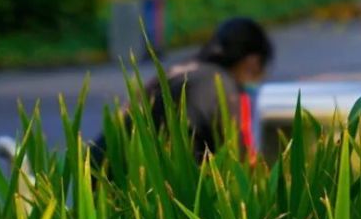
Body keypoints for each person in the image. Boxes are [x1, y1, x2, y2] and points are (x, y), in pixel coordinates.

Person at [90, 17, 274, 164]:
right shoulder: (223, 86)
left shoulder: (182, 70)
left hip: (104, 171)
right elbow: (237, 157)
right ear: (253, 61)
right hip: (150, 183)